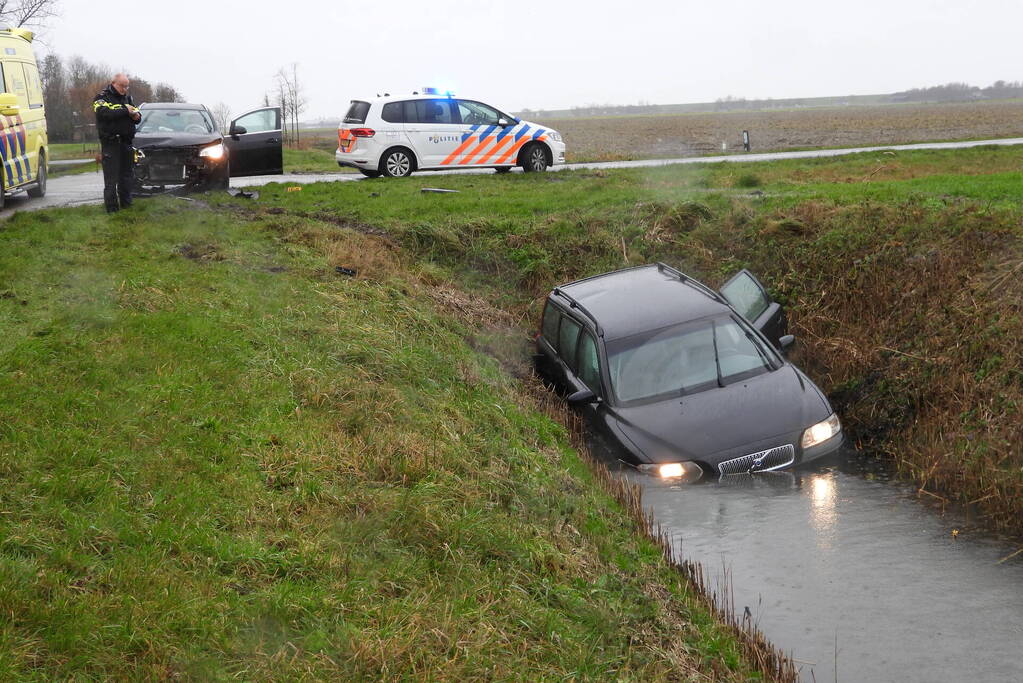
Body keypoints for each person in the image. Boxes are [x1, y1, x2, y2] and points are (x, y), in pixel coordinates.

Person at [93, 74, 141, 213]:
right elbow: (104, 113)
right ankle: (112, 209)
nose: (124, 89)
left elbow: (137, 116)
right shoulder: (102, 97)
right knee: (111, 179)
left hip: (126, 143)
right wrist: (126, 111)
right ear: (113, 83)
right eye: (122, 86)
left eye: (127, 86)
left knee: (126, 176)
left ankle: (127, 205)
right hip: (111, 143)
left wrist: (136, 116)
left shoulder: (128, 98)